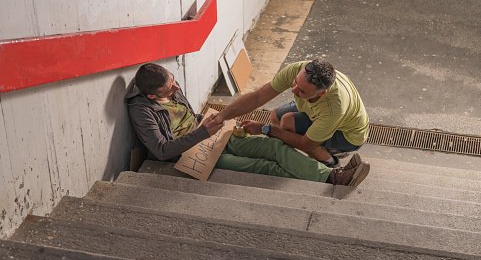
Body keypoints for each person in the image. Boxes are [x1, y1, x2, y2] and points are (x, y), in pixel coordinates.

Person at [126, 63, 367, 186]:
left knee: (275, 148)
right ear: (151, 96)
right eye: (170, 88)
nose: (177, 88)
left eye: (174, 82)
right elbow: (161, 150)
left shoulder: (334, 107)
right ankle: (331, 179)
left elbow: (306, 142)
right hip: (189, 154)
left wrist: (215, 121)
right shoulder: (142, 111)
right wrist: (202, 132)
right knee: (263, 166)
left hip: (208, 136)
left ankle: (333, 173)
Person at [212, 58, 370, 181]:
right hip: (319, 112)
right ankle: (289, 155)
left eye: (301, 91)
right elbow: (258, 97)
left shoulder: (334, 107)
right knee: (276, 116)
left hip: (348, 135)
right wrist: (221, 116)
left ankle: (330, 165)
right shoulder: (297, 69)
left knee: (287, 124)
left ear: (320, 94)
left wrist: (266, 129)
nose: (293, 90)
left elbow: (305, 143)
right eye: (295, 82)